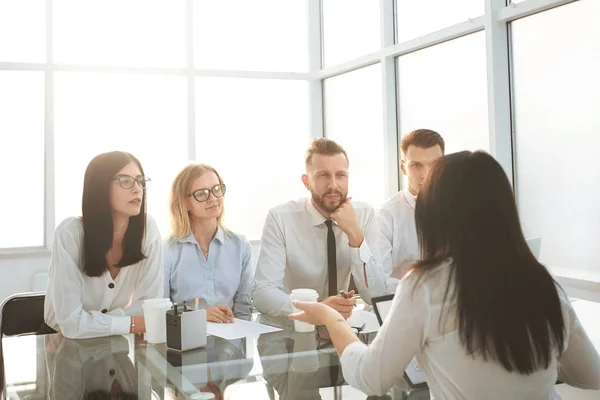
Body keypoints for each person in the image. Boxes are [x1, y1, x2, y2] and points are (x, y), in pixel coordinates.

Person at [290, 151, 600, 398]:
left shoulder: (427, 286)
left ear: (435, 212)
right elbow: (590, 375)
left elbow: (372, 378)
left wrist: (332, 320)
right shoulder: (544, 284)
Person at [253, 138, 390, 318]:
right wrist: (315, 309)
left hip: (344, 326)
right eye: (323, 175)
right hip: (296, 328)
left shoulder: (364, 215)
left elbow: (377, 296)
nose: (333, 185)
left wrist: (355, 235)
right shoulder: (280, 218)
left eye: (340, 175)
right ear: (306, 181)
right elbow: (263, 293)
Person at [43, 151, 163, 339]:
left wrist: (94, 323)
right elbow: (70, 324)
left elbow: (151, 307)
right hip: (59, 341)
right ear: (100, 187)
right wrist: (132, 323)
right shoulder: (70, 233)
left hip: (114, 340)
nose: (137, 189)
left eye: (140, 181)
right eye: (125, 181)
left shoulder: (148, 229)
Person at [164, 163, 253, 322]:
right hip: (184, 340)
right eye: (202, 193)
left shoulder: (240, 246)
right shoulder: (168, 250)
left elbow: (243, 308)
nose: (213, 198)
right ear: (185, 203)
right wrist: (199, 316)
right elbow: (160, 310)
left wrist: (241, 337)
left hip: (230, 340)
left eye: (216, 189)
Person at [376, 129, 444, 283]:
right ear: (402, 167)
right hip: (404, 303)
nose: (425, 174)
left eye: (433, 164)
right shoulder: (386, 216)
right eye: (416, 165)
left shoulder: (460, 210)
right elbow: (381, 281)